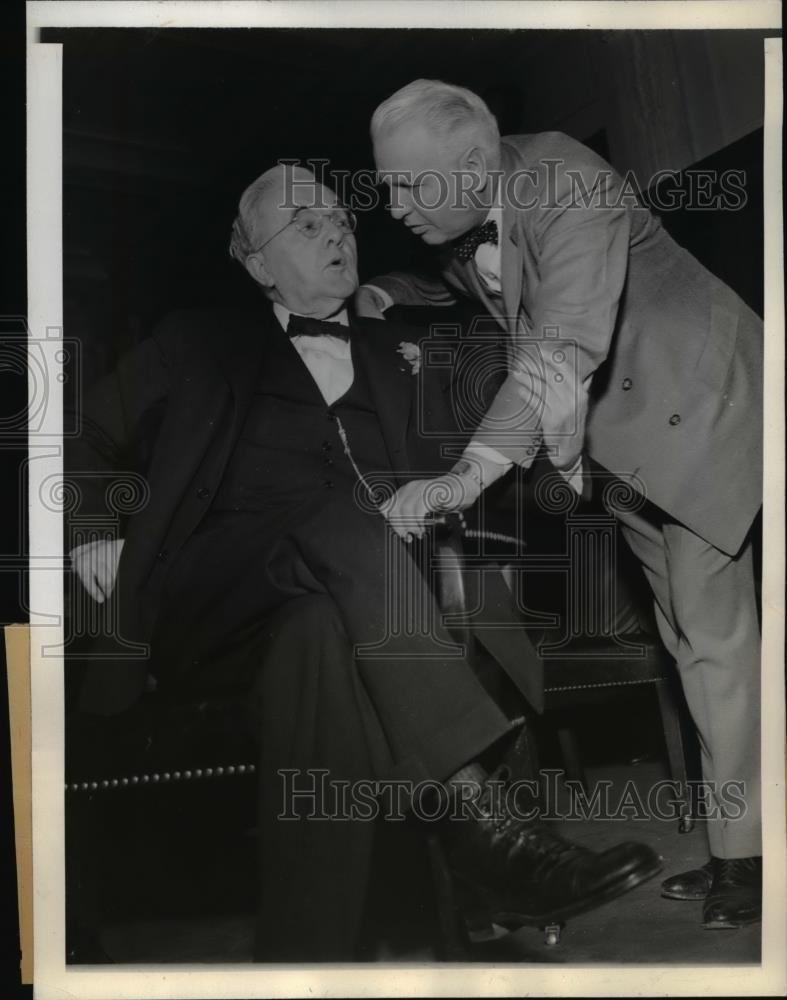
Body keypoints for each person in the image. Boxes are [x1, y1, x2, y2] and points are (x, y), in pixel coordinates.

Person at [66, 164, 660, 961]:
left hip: (353, 609)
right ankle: (477, 823)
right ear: (254, 261)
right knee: (336, 511)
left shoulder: (408, 344)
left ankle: (305, 959)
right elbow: (81, 434)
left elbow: (527, 374)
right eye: (305, 225)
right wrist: (92, 529)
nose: (336, 231)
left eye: (341, 219)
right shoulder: (194, 341)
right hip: (211, 595)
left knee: (315, 642)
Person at [360, 78, 763, 930]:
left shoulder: (564, 179)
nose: (391, 205)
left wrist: (467, 474)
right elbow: (484, 277)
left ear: (474, 160)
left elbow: (557, 347)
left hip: (708, 411)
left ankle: (747, 859)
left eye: (406, 185)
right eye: (386, 185)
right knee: (692, 641)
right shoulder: (470, 212)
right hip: (631, 446)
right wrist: (386, 292)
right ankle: (748, 848)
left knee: (717, 639)